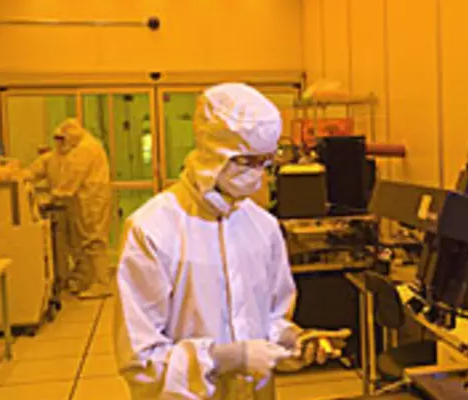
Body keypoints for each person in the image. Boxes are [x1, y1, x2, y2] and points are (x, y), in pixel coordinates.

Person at [114, 83, 351, 400]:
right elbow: (140, 361)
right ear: (213, 153)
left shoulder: (263, 226)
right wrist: (225, 359)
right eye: (246, 162)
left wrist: (293, 342)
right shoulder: (152, 230)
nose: (258, 175)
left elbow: (271, 318)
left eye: (265, 162)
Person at [24, 118, 113, 299]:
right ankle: (86, 279)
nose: (59, 144)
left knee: (93, 241)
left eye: (62, 140)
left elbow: (72, 178)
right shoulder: (80, 148)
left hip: (91, 201)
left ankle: (101, 283)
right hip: (85, 201)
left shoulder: (84, 149)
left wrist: (55, 195)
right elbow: (36, 171)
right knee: (82, 243)